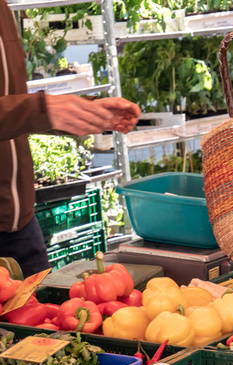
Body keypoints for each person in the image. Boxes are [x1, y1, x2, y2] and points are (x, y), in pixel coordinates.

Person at [0, 0, 140, 277]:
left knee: (41, 315)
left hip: (18, 220)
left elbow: (10, 103)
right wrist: (41, 109)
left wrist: (80, 113)